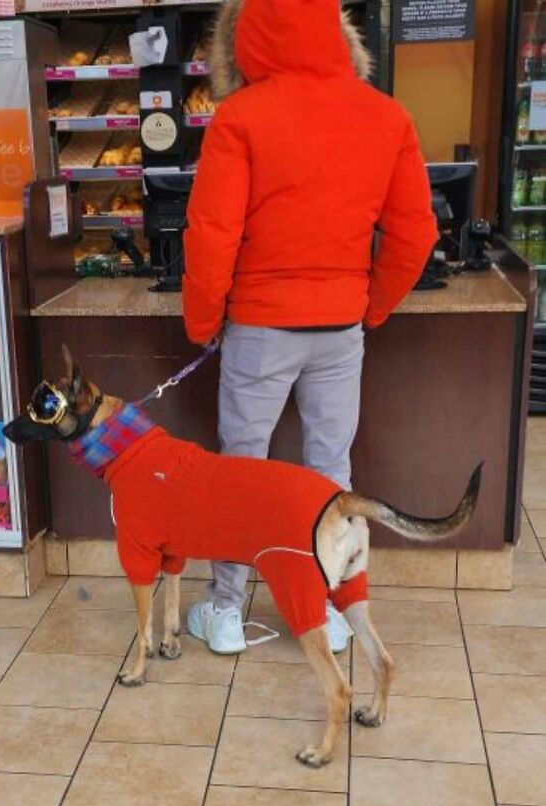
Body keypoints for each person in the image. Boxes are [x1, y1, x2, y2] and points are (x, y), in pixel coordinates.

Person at [182, 0, 437, 654]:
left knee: (243, 469)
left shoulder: (239, 118)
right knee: (330, 473)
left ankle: (227, 612)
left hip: (261, 327)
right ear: (339, 34)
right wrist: (369, 306)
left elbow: (212, 239)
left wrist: (203, 322)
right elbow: (415, 235)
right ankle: (329, 608)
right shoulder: (386, 116)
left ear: (245, 41)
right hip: (340, 328)